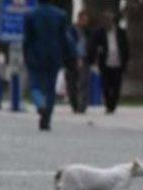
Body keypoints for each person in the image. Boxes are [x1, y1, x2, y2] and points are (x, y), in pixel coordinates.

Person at [24, 0, 75, 130]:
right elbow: (64, 38)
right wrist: (71, 54)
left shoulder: (30, 15)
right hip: (54, 56)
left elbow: (27, 39)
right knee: (50, 87)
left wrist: (27, 55)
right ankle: (47, 118)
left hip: (36, 55)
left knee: (35, 85)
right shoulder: (60, 15)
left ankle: (41, 105)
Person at [93, 11, 129, 114]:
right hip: (105, 64)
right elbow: (94, 45)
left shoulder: (120, 32)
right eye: (104, 21)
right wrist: (97, 52)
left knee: (116, 86)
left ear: (112, 21)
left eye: (108, 20)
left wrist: (125, 61)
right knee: (106, 86)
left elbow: (125, 48)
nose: (106, 23)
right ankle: (108, 105)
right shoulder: (99, 32)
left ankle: (113, 105)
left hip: (118, 63)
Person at [66, 9, 93, 114]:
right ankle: (74, 104)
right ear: (80, 19)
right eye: (84, 20)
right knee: (72, 83)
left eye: (87, 20)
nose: (86, 23)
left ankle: (82, 107)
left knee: (84, 83)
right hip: (72, 59)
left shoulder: (88, 31)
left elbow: (92, 44)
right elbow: (68, 44)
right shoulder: (71, 30)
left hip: (85, 58)